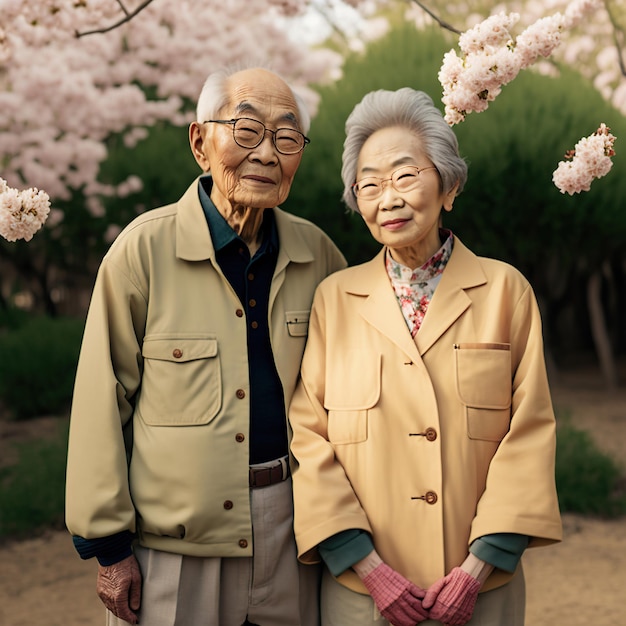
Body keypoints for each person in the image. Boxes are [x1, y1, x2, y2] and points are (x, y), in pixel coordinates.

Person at [65, 65, 346, 626]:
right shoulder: (142, 250)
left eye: (286, 138)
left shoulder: (320, 256)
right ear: (200, 141)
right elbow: (101, 400)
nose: (267, 154)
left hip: (297, 529)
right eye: (246, 131)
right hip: (176, 546)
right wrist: (110, 547)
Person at [289, 87, 563, 626]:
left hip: (481, 591)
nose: (387, 197)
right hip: (361, 593)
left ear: (449, 186)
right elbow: (309, 436)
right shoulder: (334, 300)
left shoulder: (506, 292)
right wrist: (367, 567)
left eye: (405, 175)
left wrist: (476, 571)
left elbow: (528, 435)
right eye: (368, 184)